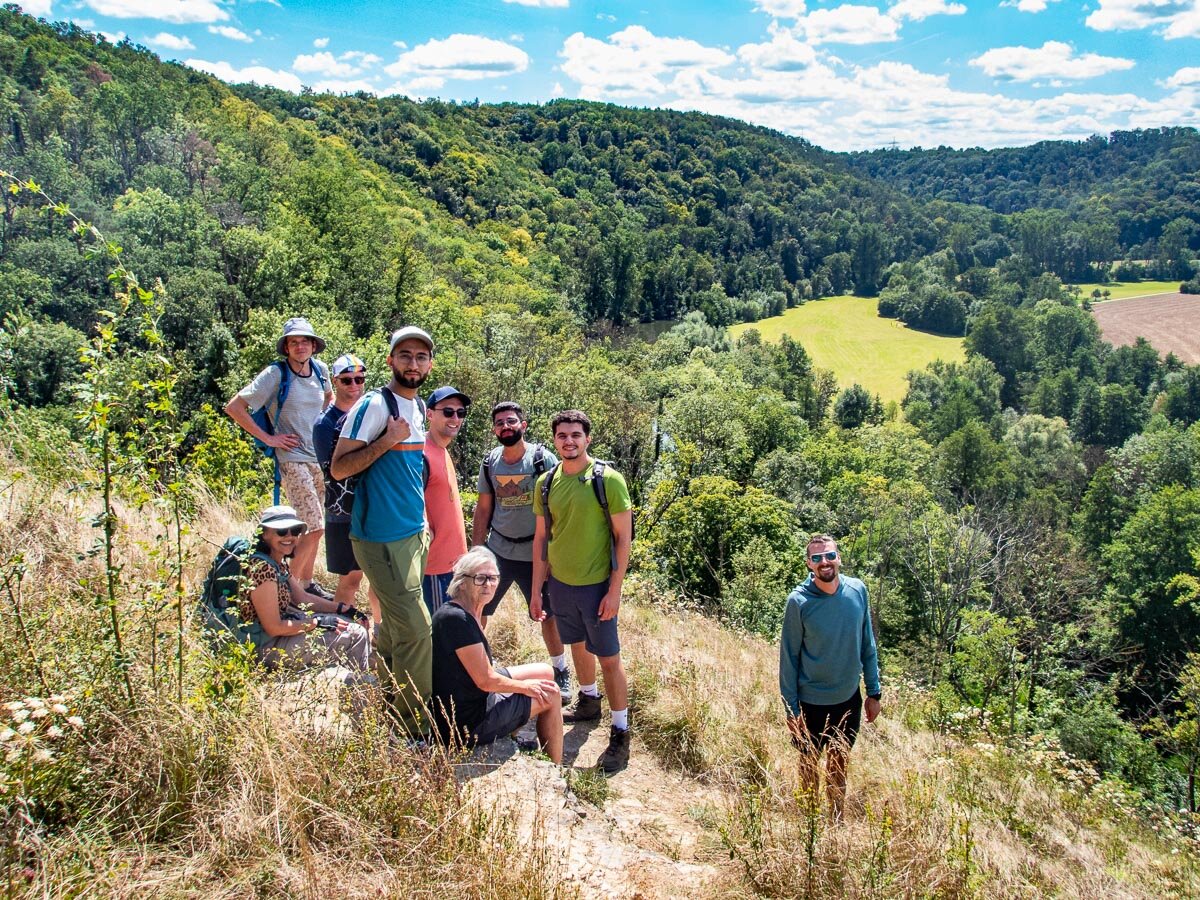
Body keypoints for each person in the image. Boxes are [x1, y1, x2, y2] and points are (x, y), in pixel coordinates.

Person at [330, 326, 433, 738]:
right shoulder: (375, 404)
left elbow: (410, 473)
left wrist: (425, 524)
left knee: (392, 626)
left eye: (421, 357)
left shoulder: (420, 406)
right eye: (405, 355)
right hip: (379, 538)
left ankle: (389, 704)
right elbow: (338, 468)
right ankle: (414, 729)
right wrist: (387, 440)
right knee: (418, 628)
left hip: (412, 534)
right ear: (391, 360)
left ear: (429, 364)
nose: (413, 363)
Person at [531, 410, 633, 774]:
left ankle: (621, 731)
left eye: (576, 435)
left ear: (588, 439)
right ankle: (589, 701)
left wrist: (614, 591)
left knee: (609, 658)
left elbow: (623, 540)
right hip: (560, 584)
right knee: (576, 645)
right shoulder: (546, 482)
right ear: (555, 439)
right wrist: (536, 590)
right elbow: (543, 538)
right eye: (562, 435)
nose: (569, 441)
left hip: (597, 587)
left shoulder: (608, 480)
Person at [225, 317, 333, 598]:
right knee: (314, 527)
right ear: (286, 347)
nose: (300, 346)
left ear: (313, 345)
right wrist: (270, 438)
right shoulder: (275, 374)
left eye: (305, 341)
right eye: (294, 342)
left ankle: (306, 584)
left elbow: (329, 399)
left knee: (317, 525)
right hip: (291, 457)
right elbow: (235, 407)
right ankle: (291, 589)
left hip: (318, 458)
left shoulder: (320, 371)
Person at [470, 402, 570, 699]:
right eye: (499, 423)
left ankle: (560, 671)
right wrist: (477, 552)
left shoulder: (542, 459)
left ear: (523, 425)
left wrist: (553, 553)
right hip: (498, 551)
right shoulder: (490, 463)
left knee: (547, 616)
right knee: (478, 610)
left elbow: (558, 508)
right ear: (494, 430)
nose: (505, 427)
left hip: (535, 554)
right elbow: (484, 508)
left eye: (511, 421)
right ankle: (476, 667)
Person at [779, 535, 882, 822]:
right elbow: (789, 657)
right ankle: (809, 823)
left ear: (838, 557)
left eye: (829, 556)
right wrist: (791, 709)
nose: (824, 562)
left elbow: (867, 643)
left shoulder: (857, 590)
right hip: (810, 702)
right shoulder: (798, 602)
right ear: (808, 565)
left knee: (839, 765)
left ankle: (835, 822)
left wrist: (874, 692)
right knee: (808, 765)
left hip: (848, 700)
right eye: (816, 558)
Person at [431, 546, 564, 763]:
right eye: (481, 578)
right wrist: (527, 687)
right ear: (462, 582)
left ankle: (513, 733)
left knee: (545, 672)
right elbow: (486, 680)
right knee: (551, 694)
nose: (489, 585)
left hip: (473, 696)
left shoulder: (467, 611)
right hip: (468, 722)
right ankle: (556, 767)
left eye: (493, 578)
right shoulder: (456, 620)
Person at [237, 505, 370, 673]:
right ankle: (360, 687)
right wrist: (316, 622)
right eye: (282, 531)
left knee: (350, 624)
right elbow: (274, 627)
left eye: (295, 530)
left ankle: (354, 681)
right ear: (264, 534)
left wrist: (344, 609)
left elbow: (302, 598)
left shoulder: (276, 562)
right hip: (263, 645)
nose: (290, 536)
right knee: (355, 635)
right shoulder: (262, 569)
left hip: (275, 637)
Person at [312, 354, 379, 625]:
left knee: (380, 577)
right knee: (350, 577)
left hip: (374, 506)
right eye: (347, 380)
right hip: (343, 510)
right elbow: (334, 472)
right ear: (335, 382)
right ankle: (341, 630)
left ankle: (380, 631)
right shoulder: (324, 424)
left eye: (360, 379)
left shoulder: (369, 414)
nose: (354, 385)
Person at [422, 386, 471, 616]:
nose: (455, 418)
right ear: (429, 414)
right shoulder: (422, 453)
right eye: (448, 411)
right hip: (434, 568)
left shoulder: (441, 449)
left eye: (460, 413)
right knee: (437, 634)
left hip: (454, 566)